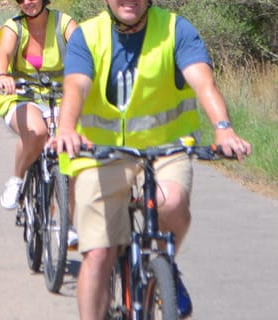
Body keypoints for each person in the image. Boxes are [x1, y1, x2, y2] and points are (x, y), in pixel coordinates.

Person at [47, 1, 252, 319]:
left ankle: (163, 269)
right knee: (98, 253)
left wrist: (224, 129)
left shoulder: (175, 30)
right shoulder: (87, 36)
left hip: (164, 150)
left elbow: (203, 82)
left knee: (170, 204)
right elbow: (77, 84)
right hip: (100, 154)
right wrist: (66, 128)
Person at [0, 0, 77, 211]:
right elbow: (4, 55)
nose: (28, 2)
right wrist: (3, 76)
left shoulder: (64, 23)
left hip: (58, 96)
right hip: (20, 95)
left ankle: (72, 224)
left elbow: (83, 51)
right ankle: (17, 179)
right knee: (37, 132)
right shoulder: (14, 27)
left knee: (70, 147)